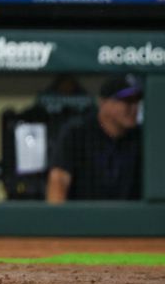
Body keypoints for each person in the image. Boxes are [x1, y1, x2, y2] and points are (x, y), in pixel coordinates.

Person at [46, 74, 143, 203]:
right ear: (103, 102)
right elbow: (58, 179)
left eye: (137, 100)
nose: (134, 107)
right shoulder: (77, 132)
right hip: (83, 218)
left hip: (130, 219)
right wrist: (57, 220)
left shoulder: (142, 137)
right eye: (127, 101)